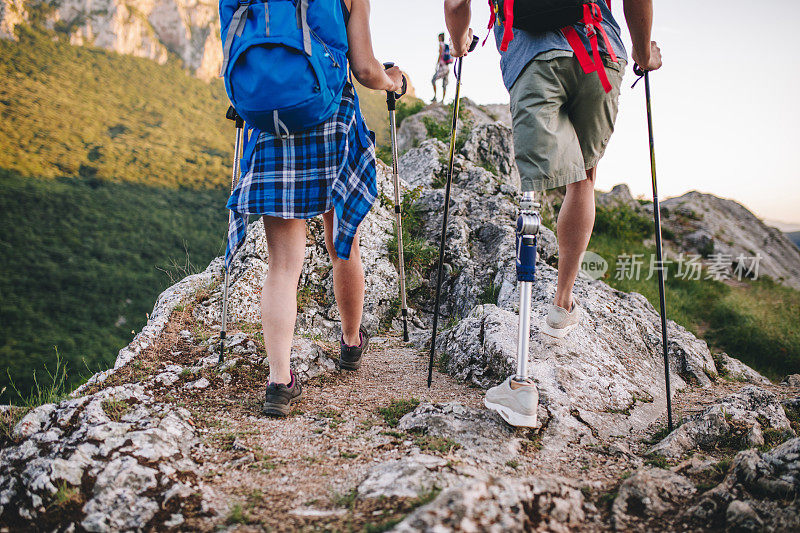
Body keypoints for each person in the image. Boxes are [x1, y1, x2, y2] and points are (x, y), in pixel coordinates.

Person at [444, 0, 662, 426]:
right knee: (583, 178)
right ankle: (561, 303)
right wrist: (642, 53)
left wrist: (459, 42)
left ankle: (522, 386)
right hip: (600, 53)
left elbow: (456, 4)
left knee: (533, 193)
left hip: (533, 57)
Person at [225, 0, 403, 418]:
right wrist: (391, 81)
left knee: (283, 265)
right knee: (343, 245)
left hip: (271, 128)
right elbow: (363, 69)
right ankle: (351, 341)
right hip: (331, 119)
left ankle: (279, 382)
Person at [431, 32, 451, 102]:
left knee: (433, 80)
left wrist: (437, 64)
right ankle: (442, 100)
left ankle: (435, 97)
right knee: (444, 84)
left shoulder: (441, 45)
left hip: (442, 67)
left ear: (440, 38)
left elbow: (440, 54)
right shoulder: (446, 46)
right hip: (447, 68)